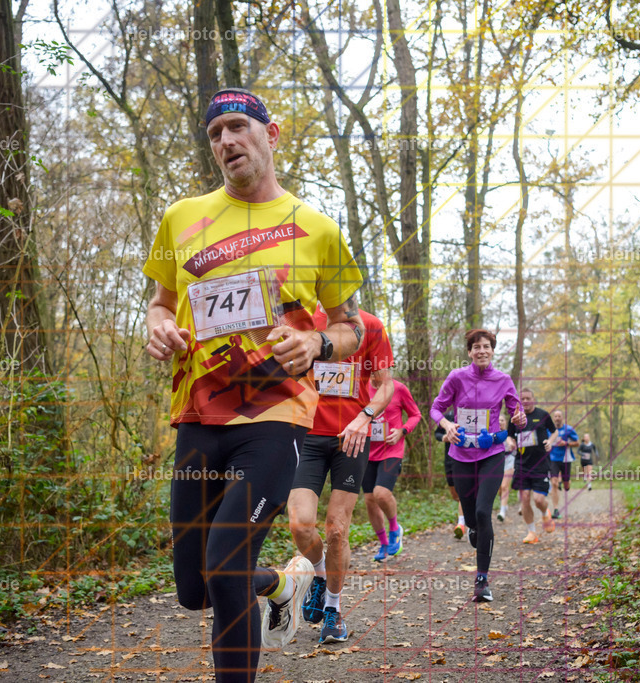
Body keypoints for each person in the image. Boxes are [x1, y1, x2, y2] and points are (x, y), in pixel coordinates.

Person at [143, 88, 365, 682]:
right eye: (215, 134)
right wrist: (161, 330)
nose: (226, 142)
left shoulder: (316, 228)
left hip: (274, 419)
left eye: (238, 127)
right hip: (197, 416)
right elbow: (158, 305)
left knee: (224, 563)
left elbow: (351, 328)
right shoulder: (182, 217)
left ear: (272, 134)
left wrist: (317, 343)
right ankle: (283, 583)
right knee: (196, 588)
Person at [289, 307, 394, 645]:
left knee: (336, 527)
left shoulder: (371, 326)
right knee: (300, 523)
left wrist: (364, 417)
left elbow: (385, 386)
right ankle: (319, 575)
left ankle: (332, 610)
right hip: (306, 436)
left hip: (352, 437)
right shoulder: (300, 319)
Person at [431, 329, 526, 602]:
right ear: (470, 352)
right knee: (472, 517)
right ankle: (472, 527)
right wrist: (447, 425)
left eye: (487, 346)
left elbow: (517, 413)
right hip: (460, 455)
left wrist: (519, 419)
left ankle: (482, 579)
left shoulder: (504, 380)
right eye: (476, 347)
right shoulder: (457, 377)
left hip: (492, 455)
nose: (482, 351)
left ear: (493, 350)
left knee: (485, 512)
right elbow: (436, 409)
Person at [364, 377, 421, 561]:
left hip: (391, 450)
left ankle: (395, 528)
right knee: (370, 501)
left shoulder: (399, 388)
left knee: (380, 493)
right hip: (366, 452)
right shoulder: (359, 387)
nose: (375, 371)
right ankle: (384, 544)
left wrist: (402, 431)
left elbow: (415, 415)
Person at [508, 388, 557, 543]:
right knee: (525, 498)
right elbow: (509, 435)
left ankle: (545, 513)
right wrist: (510, 443)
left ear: (533, 399)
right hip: (522, 464)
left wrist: (550, 441)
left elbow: (554, 432)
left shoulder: (542, 415)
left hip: (540, 463)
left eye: (528, 398)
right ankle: (532, 533)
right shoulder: (515, 418)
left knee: (538, 500)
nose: (526, 401)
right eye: (522, 399)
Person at [434, 408, 467, 538]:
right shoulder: (448, 416)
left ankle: (461, 524)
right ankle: (467, 513)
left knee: (463, 491)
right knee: (455, 495)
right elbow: (437, 434)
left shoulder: (471, 413)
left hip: (465, 458)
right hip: (449, 459)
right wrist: (444, 438)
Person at [545, 409, 580, 519]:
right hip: (553, 459)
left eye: (559, 416)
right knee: (554, 483)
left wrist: (566, 443)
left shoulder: (568, 429)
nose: (557, 418)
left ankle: (566, 483)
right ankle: (556, 510)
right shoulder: (549, 430)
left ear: (562, 418)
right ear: (553, 418)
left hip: (566, 459)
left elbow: (577, 443)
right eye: (555, 416)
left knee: (566, 485)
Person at [496, 413, 517, 522]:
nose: (500, 422)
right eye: (498, 420)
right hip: (496, 461)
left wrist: (513, 445)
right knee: (499, 487)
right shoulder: (493, 434)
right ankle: (503, 503)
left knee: (504, 486)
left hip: (509, 460)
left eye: (502, 420)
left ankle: (502, 512)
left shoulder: (510, 434)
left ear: (506, 422)